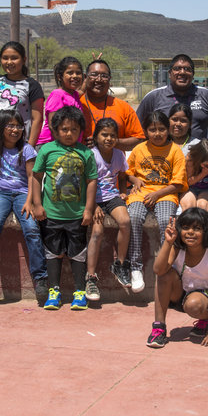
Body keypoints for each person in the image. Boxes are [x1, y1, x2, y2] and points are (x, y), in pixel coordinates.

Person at [0, 110, 49, 304]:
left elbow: (33, 177)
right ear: (0, 127)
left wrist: (29, 201)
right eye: (10, 126)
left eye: (18, 126)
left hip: (23, 193)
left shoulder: (27, 150)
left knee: (32, 229)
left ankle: (40, 277)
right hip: (0, 193)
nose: (15, 130)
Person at [31, 106, 98, 311]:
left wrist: (88, 209)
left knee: (78, 253)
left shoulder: (86, 153)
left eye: (74, 130)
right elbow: (36, 177)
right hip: (51, 215)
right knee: (53, 252)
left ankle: (79, 292)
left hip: (76, 215)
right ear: (55, 130)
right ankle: (54, 291)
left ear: (81, 131)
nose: (69, 134)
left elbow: (92, 181)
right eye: (64, 129)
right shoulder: (46, 150)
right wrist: (37, 205)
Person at [125, 110, 188, 294]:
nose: (157, 134)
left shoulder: (175, 150)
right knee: (134, 217)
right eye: (153, 130)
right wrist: (135, 180)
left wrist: (157, 194)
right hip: (141, 193)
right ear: (146, 131)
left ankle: (166, 266)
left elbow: (178, 183)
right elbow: (128, 171)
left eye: (161, 129)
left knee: (165, 222)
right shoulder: (139, 149)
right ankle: (136, 267)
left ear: (168, 130)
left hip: (166, 193)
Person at [146, 210, 208, 348]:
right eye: (185, 228)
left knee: (193, 304)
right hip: (181, 294)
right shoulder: (178, 248)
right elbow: (158, 270)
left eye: (197, 229)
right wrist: (168, 242)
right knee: (164, 274)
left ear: (206, 231)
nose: (190, 232)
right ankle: (159, 328)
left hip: (204, 299)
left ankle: (205, 319)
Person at [86, 117, 134, 298]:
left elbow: (122, 176)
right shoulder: (91, 155)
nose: (108, 139)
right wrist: (93, 206)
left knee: (125, 221)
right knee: (97, 232)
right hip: (94, 199)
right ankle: (90, 277)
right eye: (104, 135)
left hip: (112, 197)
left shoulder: (119, 154)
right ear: (96, 136)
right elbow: (85, 183)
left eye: (112, 136)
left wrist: (122, 192)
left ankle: (120, 264)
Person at [136, 54, 208, 140]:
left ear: (193, 74)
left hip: (198, 153)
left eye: (187, 69)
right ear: (170, 73)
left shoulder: (207, 96)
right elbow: (138, 129)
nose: (182, 72)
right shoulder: (154, 97)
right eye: (177, 68)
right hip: (163, 153)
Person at [0, 41, 44, 148]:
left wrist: (29, 149)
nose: (9, 62)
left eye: (14, 58)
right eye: (5, 58)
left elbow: (37, 119)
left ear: (24, 60)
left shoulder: (32, 85)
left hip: (20, 145)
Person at [80, 59, 145, 149]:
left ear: (109, 79)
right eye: (94, 75)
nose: (99, 79)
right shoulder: (75, 104)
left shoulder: (123, 107)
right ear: (85, 77)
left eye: (104, 76)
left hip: (114, 162)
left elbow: (139, 140)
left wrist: (112, 141)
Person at [36, 56, 91, 146]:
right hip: (52, 145)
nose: (75, 76)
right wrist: (64, 148)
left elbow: (81, 91)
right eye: (70, 73)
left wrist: (92, 70)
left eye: (78, 73)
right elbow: (52, 125)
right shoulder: (57, 95)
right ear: (59, 77)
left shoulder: (74, 95)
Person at [179, 139, 208, 217]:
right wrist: (204, 173)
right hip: (190, 188)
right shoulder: (190, 158)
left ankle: (205, 229)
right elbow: (187, 182)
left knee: (203, 206)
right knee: (189, 207)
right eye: (206, 165)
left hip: (207, 189)